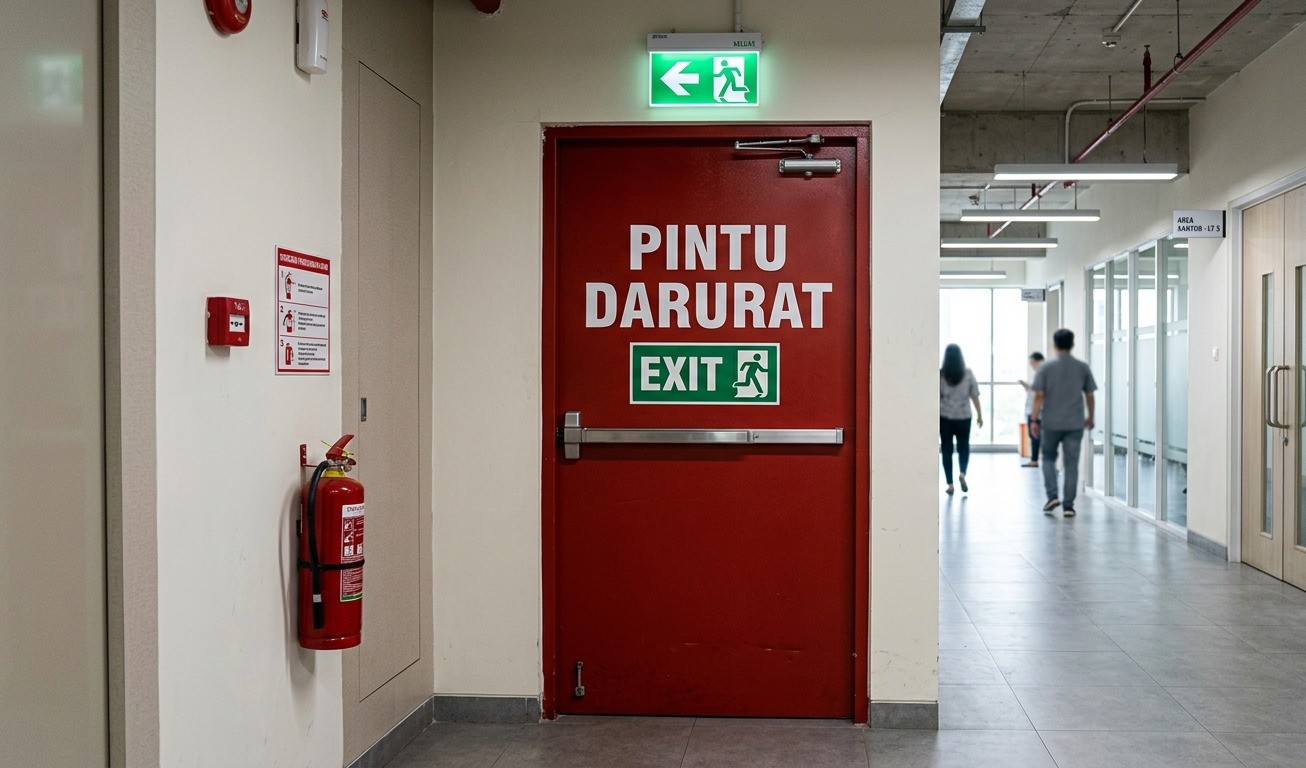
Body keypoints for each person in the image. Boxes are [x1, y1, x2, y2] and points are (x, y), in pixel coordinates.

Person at [1030, 329, 1097, 517]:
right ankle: (1069, 506)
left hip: (1051, 423)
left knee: (1048, 458)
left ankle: (1052, 496)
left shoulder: (1045, 367)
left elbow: (1039, 395)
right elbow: (1090, 395)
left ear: (1054, 344)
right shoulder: (1082, 367)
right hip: (1075, 423)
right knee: (1071, 464)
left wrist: (1034, 419)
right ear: (1072, 344)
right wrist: (1091, 416)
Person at [939, 343, 983, 495]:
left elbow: (936, 396)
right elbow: (975, 395)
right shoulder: (968, 373)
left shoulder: (941, 375)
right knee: (964, 446)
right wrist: (979, 415)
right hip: (964, 417)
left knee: (946, 449)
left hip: (945, 417)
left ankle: (950, 485)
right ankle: (962, 474)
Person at [1018, 352, 1045, 467]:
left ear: (1037, 361)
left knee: (1035, 435)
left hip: (1036, 411)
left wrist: (1029, 388)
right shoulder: (1038, 374)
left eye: (1032, 362)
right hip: (1033, 409)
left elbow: (1038, 394)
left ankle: (1034, 460)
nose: (1031, 365)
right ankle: (1034, 459)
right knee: (1034, 435)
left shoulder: (1041, 374)